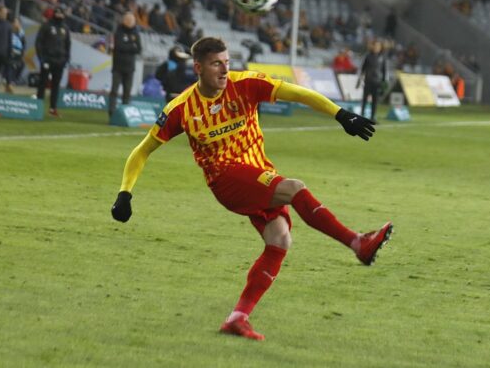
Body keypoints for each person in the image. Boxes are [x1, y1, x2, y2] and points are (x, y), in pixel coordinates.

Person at [110, 37, 393, 341]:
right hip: (225, 179)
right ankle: (358, 244)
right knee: (295, 189)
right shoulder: (181, 108)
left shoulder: (244, 84)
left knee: (280, 240)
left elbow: (295, 92)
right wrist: (125, 192)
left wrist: (340, 114)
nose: (224, 69)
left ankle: (237, 317)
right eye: (216, 63)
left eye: (227, 62)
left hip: (258, 171)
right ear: (198, 68)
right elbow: (142, 151)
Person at [35, 7, 71, 117]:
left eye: (61, 14)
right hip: (47, 59)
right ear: (54, 14)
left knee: (56, 85)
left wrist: (66, 59)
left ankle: (53, 108)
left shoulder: (65, 28)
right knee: (43, 83)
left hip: (59, 61)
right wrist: (42, 58)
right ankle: (38, 107)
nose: (60, 16)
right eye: (58, 13)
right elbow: (39, 43)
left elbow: (68, 45)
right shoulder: (46, 26)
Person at [108, 12, 142, 118]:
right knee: (114, 90)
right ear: (124, 21)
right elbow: (118, 46)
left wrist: (127, 48)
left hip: (130, 67)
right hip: (118, 66)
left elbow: (139, 48)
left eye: (132, 21)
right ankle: (112, 112)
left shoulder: (136, 33)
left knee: (127, 91)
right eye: (128, 20)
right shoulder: (118, 32)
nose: (130, 23)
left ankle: (125, 113)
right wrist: (131, 47)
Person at [356, 40, 386, 124]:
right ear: (373, 47)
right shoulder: (368, 56)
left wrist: (383, 82)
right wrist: (359, 79)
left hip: (377, 82)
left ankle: (372, 117)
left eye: (378, 46)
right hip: (368, 80)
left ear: (380, 48)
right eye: (375, 46)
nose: (376, 48)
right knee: (365, 99)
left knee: (375, 100)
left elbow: (384, 71)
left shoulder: (382, 57)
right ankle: (361, 116)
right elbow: (363, 68)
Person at [4, 17, 26, 93]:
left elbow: (23, 44)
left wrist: (22, 54)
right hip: (10, 52)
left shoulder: (21, 33)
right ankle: (9, 83)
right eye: (16, 22)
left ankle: (13, 81)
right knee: (10, 64)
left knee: (22, 64)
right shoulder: (9, 31)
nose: (17, 24)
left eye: (18, 23)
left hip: (18, 53)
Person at [0, 5, 12, 93]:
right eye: (3, 12)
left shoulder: (8, 25)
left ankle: (7, 84)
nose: (4, 14)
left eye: (5, 13)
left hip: (4, 53)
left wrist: (9, 51)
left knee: (1, 70)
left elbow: (9, 39)